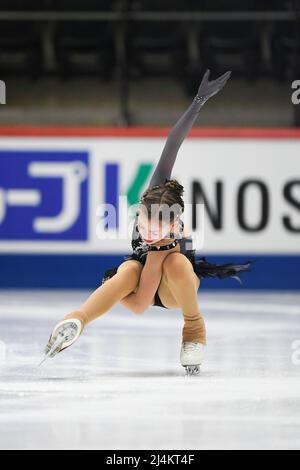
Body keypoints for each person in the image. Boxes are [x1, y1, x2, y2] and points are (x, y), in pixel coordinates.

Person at [43, 69, 253, 375]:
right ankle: (76, 319)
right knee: (128, 268)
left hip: (174, 289)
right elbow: (172, 145)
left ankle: (194, 329)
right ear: (140, 209)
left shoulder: (170, 238)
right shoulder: (153, 196)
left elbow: (141, 305)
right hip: (142, 275)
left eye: (157, 230)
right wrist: (198, 101)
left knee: (176, 264)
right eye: (144, 224)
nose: (148, 232)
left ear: (172, 225)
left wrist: (115, 293)